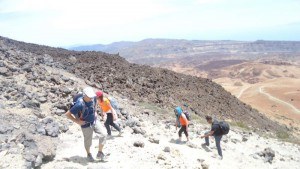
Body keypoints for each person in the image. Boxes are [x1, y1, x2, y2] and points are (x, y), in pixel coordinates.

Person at [65, 87, 106, 162]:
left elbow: (95, 105)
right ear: (84, 95)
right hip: (85, 124)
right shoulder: (79, 104)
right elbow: (67, 114)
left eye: (92, 96)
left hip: (94, 121)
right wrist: (77, 121)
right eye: (89, 97)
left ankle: (100, 152)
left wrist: (95, 112)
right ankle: (89, 154)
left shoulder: (93, 98)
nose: (91, 98)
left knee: (103, 134)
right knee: (88, 142)